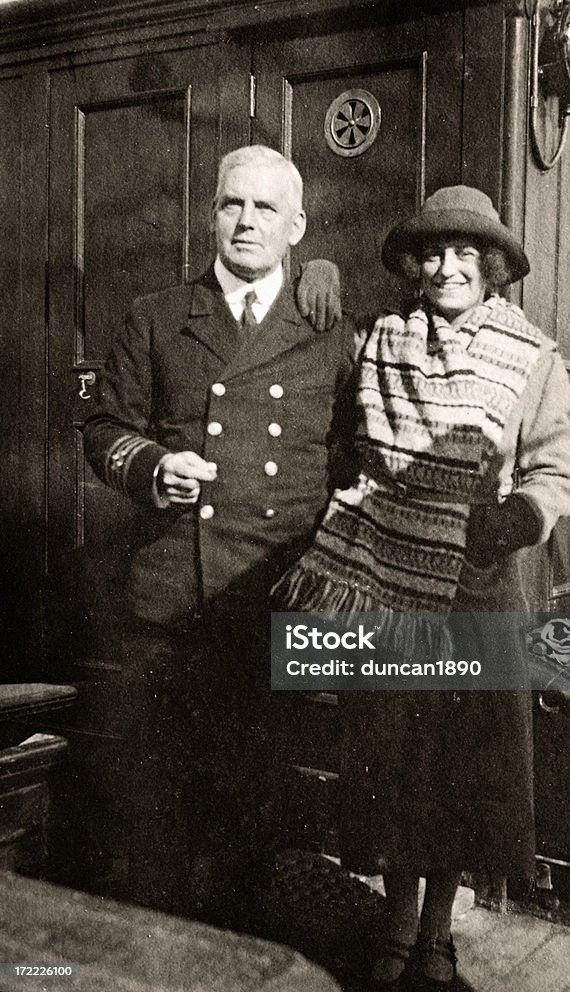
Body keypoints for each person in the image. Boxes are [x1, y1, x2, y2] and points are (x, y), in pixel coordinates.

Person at [274, 185, 570, 989]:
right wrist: (316, 262)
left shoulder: (532, 358)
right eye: (435, 253)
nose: (449, 267)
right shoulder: (379, 341)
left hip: (476, 591)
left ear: (491, 268)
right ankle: (398, 916)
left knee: (463, 771)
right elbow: (341, 434)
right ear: (416, 266)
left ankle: (438, 935)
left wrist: (510, 519)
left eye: (466, 254)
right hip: (384, 583)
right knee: (389, 761)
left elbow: (555, 471)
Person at [83, 145, 356, 919]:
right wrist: (148, 466)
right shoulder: (158, 315)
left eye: (266, 208)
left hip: (271, 599)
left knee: (254, 811)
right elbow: (102, 427)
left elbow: (352, 450)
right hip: (170, 599)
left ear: (296, 226)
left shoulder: (330, 326)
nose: (246, 221)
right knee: (157, 811)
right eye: (232, 204)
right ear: (211, 214)